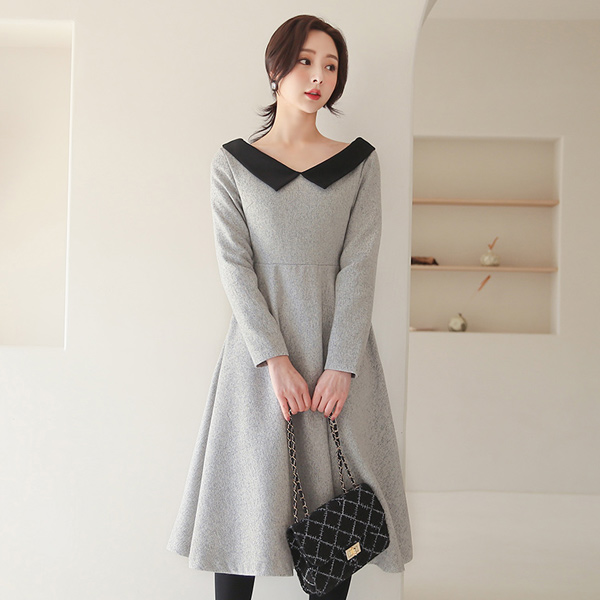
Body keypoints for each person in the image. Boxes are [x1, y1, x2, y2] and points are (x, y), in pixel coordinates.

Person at [166, 14, 413, 600]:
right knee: (243, 512)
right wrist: (274, 360)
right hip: (259, 362)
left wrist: (342, 364)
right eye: (306, 61)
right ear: (276, 68)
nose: (318, 76)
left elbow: (359, 267)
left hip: (336, 358)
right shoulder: (233, 164)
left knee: (337, 519)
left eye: (330, 66)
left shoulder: (359, 163)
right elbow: (236, 269)